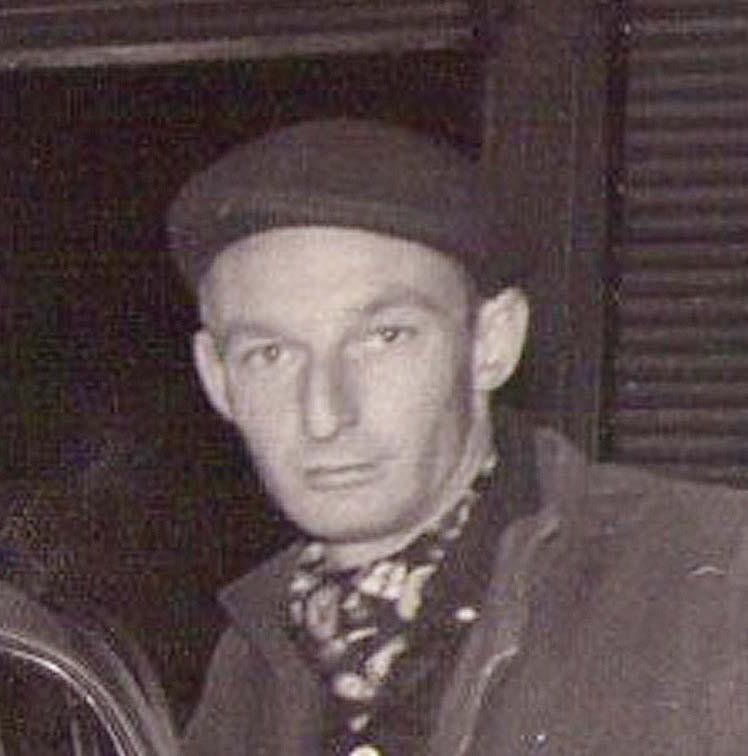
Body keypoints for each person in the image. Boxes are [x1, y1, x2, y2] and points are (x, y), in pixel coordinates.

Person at [167, 119, 748, 756]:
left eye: (384, 337)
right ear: (217, 379)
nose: (325, 414)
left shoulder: (712, 581)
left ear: (491, 343)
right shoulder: (251, 663)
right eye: (271, 354)